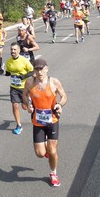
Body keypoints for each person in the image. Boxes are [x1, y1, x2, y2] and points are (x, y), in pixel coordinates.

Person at [22, 58, 68, 187]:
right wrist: (28, 105)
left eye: (41, 68)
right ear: (34, 70)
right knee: (40, 154)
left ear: (47, 68)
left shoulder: (54, 82)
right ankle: (47, 151)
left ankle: (53, 173)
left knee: (53, 150)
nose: (39, 71)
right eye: (37, 69)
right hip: (38, 121)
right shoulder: (30, 82)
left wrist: (60, 105)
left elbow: (64, 96)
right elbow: (24, 95)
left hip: (52, 119)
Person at [5, 42, 34, 135]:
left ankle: (29, 102)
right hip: (14, 87)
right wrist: (4, 72)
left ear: (19, 50)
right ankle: (18, 125)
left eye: (14, 49)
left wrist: (24, 76)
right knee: (15, 105)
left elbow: (32, 71)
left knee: (25, 107)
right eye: (11, 49)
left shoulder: (24, 60)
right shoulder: (8, 61)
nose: (12, 51)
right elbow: (8, 72)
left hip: (24, 88)